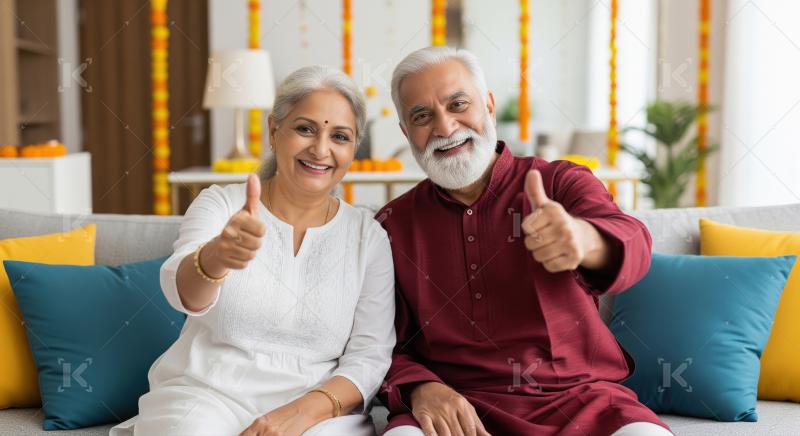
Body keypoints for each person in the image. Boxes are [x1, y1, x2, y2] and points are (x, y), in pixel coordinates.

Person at [376, 47, 673, 436]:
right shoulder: (392, 224)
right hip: (457, 409)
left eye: (458, 105)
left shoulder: (560, 182)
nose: (445, 128)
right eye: (422, 116)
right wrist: (420, 388)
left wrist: (583, 239)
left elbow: (633, 242)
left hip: (583, 399)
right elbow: (377, 342)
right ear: (405, 132)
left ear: (488, 105)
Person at [110, 65, 396, 436]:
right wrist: (216, 257)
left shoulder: (368, 237)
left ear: (353, 149)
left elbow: (370, 357)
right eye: (305, 128)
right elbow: (181, 294)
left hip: (317, 410)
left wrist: (299, 414)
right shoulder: (220, 205)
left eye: (339, 136)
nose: (321, 149)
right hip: (207, 395)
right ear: (274, 132)